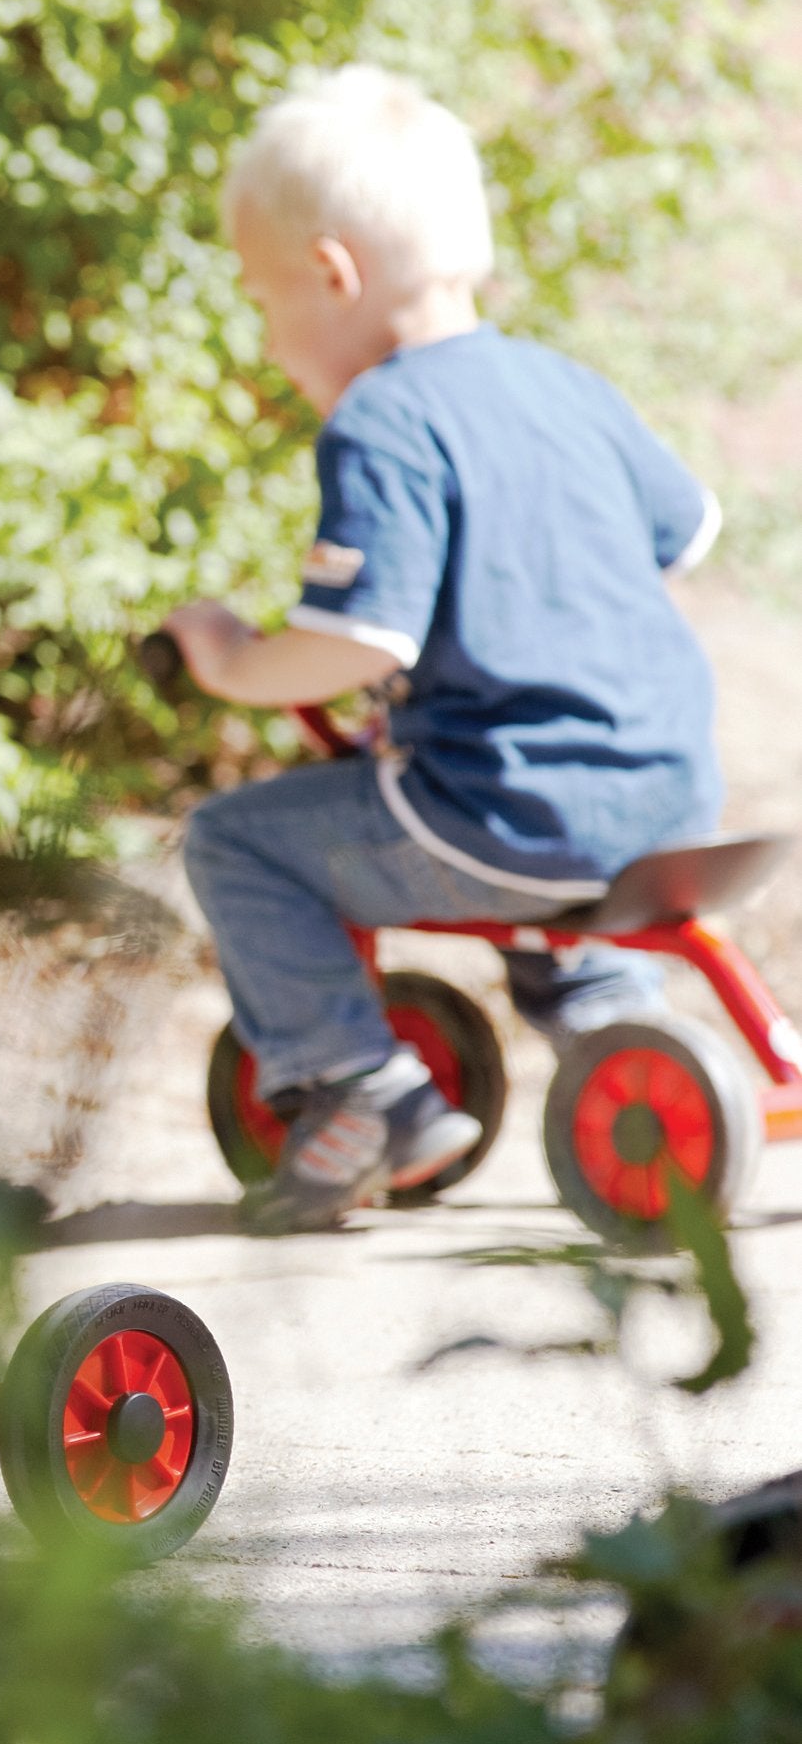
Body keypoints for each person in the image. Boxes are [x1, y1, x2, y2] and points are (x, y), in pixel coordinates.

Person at [164, 66, 722, 1232]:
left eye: (269, 306)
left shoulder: (384, 415)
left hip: (509, 810)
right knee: (533, 852)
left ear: (333, 274)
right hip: (670, 794)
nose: (271, 344)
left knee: (235, 840)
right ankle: (616, 1023)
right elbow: (686, 534)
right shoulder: (564, 384)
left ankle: (362, 1086)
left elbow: (352, 637)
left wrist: (229, 656)